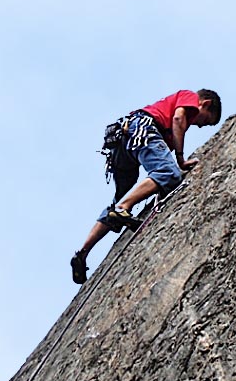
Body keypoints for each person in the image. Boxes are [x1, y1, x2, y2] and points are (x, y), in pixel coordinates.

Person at [70, 89, 222, 284]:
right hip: (143, 127)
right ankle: (124, 208)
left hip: (124, 141)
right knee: (170, 174)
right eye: (205, 120)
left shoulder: (166, 133)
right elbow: (178, 120)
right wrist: (181, 160)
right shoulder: (189, 97)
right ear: (205, 104)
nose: (200, 126)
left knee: (118, 202)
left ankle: (83, 253)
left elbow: (158, 155)